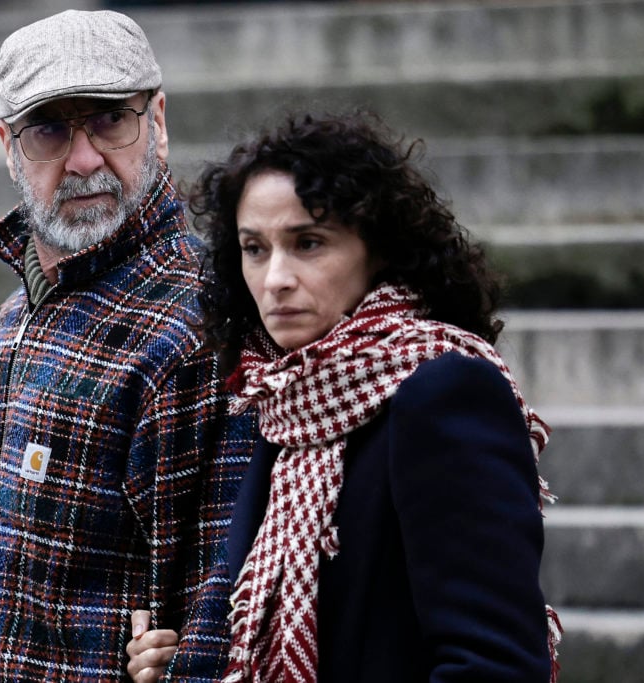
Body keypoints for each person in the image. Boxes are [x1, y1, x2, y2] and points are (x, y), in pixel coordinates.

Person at [127, 111, 562, 682]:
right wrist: (181, 664)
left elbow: (495, 663)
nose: (276, 277)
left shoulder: (444, 391)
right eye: (254, 248)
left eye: (308, 243)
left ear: (378, 249)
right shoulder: (283, 403)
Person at [0, 10, 255, 682]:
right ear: (7, 145)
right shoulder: (21, 308)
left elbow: (226, 615)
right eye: (50, 129)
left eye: (111, 119)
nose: (84, 159)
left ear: (159, 121)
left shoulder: (201, 322)